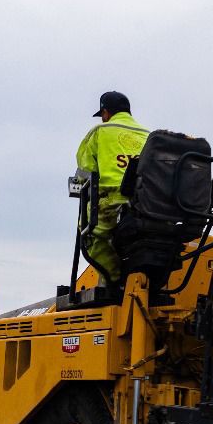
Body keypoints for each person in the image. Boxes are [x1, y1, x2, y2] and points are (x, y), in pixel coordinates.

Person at [75, 91, 149, 286]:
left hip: (113, 202)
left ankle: (114, 280)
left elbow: (84, 174)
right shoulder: (149, 136)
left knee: (90, 235)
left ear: (106, 113)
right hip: (149, 205)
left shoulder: (100, 132)